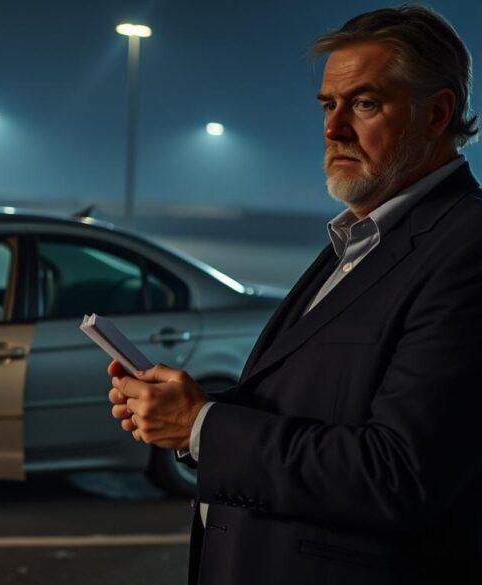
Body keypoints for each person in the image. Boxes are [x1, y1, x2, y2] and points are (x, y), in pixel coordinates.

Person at [107, 6, 481, 584]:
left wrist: (204, 426)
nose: (334, 129)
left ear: (436, 114)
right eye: (329, 106)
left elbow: (400, 474)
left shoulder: (466, 245)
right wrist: (187, 413)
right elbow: (313, 408)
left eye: (364, 104)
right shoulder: (358, 239)